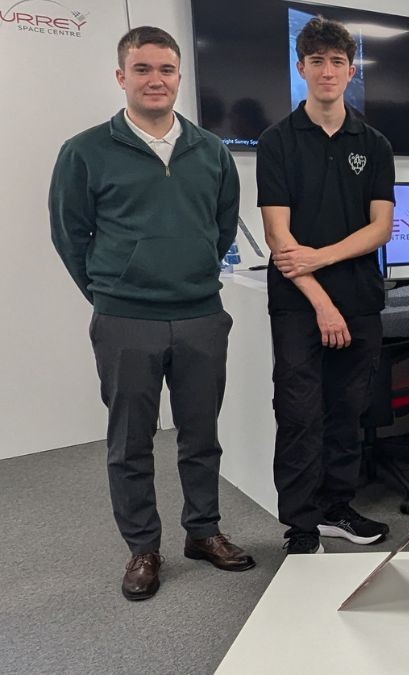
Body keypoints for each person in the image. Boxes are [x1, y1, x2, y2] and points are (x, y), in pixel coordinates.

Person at [49, 26, 253, 601]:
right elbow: (70, 234)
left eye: (166, 69)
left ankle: (204, 533)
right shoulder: (85, 150)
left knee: (200, 435)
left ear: (179, 76)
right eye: (142, 69)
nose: (155, 79)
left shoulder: (210, 151)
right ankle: (143, 546)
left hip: (199, 315)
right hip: (124, 320)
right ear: (121, 77)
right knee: (130, 440)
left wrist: (188, 274)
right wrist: (111, 291)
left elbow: (220, 228)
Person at [256, 16, 395, 554]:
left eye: (337, 61)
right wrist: (321, 300)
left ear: (351, 68)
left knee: (346, 412)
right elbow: (277, 236)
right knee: (298, 415)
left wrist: (325, 257)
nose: (327, 71)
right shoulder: (277, 142)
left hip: (359, 298)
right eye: (317, 62)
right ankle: (301, 526)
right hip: (298, 304)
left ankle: (337, 507)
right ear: (301, 68)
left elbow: (381, 227)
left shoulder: (374, 142)